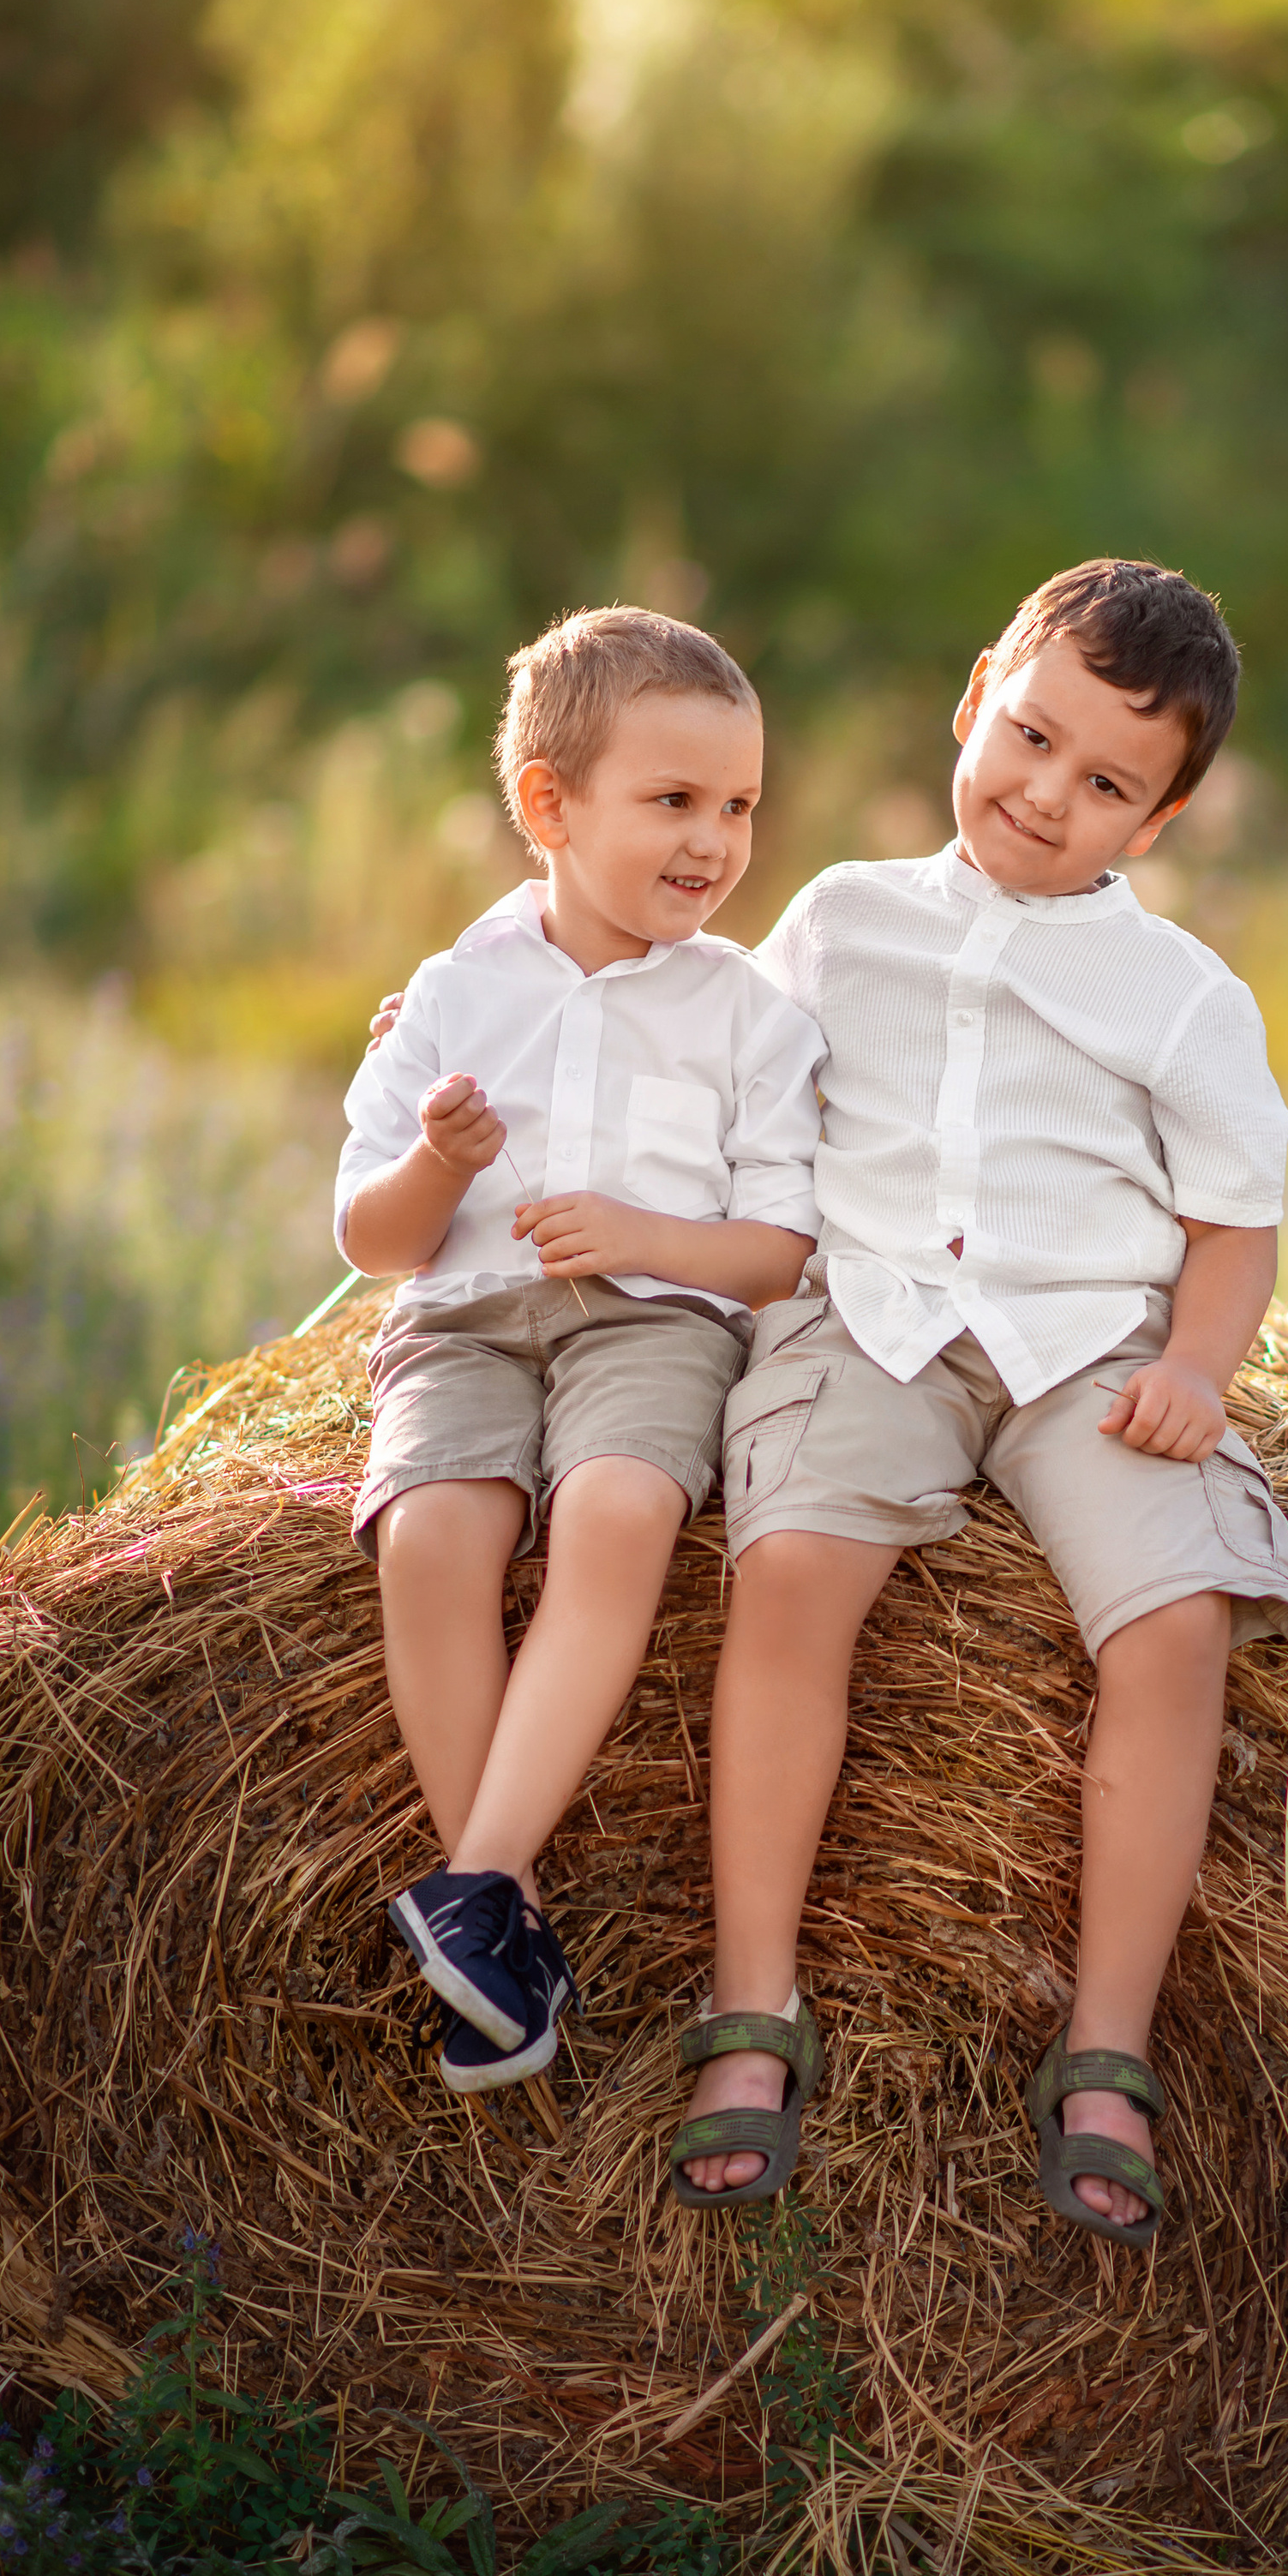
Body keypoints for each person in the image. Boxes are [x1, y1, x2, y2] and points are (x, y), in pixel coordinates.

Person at [668, 560, 1288, 2245]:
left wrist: (1193, 1370)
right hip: (870, 1316)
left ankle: (1102, 2047)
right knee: (791, 1565)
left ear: (1157, 821)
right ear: (973, 699)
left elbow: (1230, 1230)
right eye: (1028, 737)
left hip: (1083, 1351)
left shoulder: (1181, 997)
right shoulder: (837, 916)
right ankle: (755, 2007)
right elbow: (718, 1070)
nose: (1045, 793)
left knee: (1175, 1621)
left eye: (1105, 781)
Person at [337, 608, 822, 2095]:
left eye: (738, 806)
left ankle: (474, 1881)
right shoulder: (453, 990)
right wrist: (438, 1161)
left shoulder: (748, 1011)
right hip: (465, 1319)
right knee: (430, 1535)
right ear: (549, 807)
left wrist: (643, 1235)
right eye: (673, 801)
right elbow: (373, 1239)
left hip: (653, 1322)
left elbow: (782, 1249)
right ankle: (511, 1924)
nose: (715, 841)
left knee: (618, 1512)